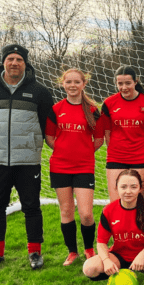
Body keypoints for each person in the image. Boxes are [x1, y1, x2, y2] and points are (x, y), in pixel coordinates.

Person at [0, 43, 54, 270]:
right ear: (3, 61)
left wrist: (32, 140)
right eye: (11, 59)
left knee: (31, 207)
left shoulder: (39, 91)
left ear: (26, 64)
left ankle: (35, 252)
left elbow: (48, 123)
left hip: (27, 160)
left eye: (19, 60)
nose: (14, 63)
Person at [44, 69, 105, 266]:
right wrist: (64, 151)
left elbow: (98, 139)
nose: (72, 85)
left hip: (84, 167)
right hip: (60, 166)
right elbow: (50, 138)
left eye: (76, 82)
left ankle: (89, 249)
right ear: (63, 84)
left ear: (83, 84)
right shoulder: (56, 109)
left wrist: (83, 152)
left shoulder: (93, 110)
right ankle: (72, 252)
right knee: (67, 211)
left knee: (86, 214)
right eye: (68, 82)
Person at [81, 170, 144, 285]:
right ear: (116, 188)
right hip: (119, 255)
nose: (128, 191)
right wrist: (106, 261)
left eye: (133, 187)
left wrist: (141, 256)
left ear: (140, 188)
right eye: (123, 187)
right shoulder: (108, 210)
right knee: (89, 268)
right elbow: (101, 242)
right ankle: (119, 276)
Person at [101, 66, 144, 201]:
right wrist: (116, 148)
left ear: (135, 82)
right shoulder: (109, 103)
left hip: (141, 157)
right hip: (116, 157)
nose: (124, 87)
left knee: (136, 200)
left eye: (128, 83)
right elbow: (107, 133)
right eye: (120, 83)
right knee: (116, 202)